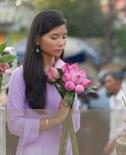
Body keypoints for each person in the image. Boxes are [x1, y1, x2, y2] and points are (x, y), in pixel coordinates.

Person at [7, 10, 80, 155]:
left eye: (64, 37)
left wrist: (69, 112)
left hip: (64, 149)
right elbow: (14, 124)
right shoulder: (20, 76)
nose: (61, 43)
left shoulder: (68, 73)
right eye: (54, 37)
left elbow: (76, 124)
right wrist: (56, 119)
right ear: (37, 40)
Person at [103, 72, 126, 155]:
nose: (106, 85)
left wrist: (112, 143)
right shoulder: (111, 100)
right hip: (113, 142)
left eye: (109, 81)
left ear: (117, 82)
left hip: (122, 143)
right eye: (105, 82)